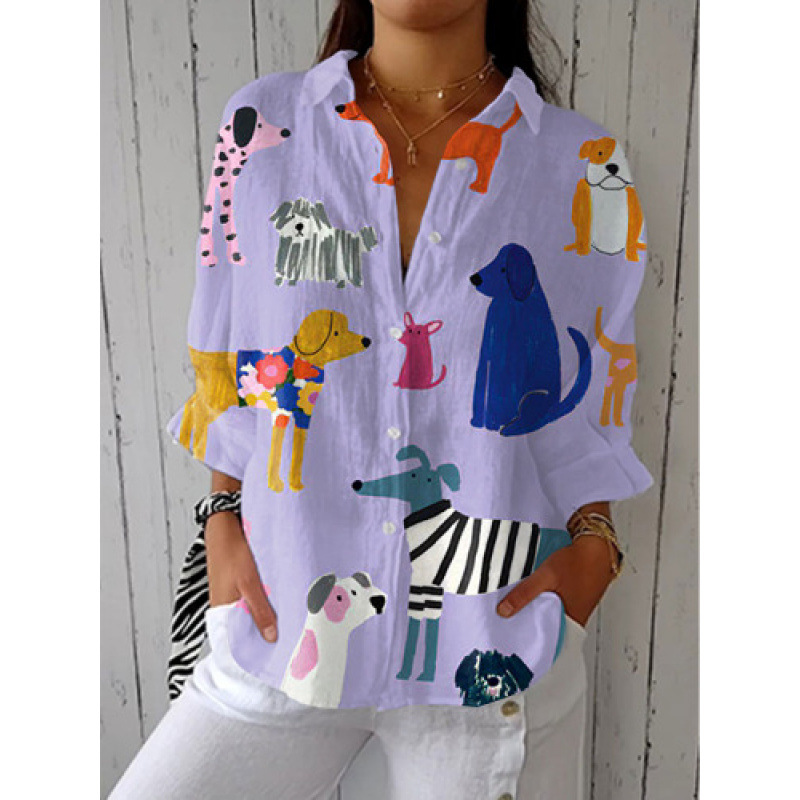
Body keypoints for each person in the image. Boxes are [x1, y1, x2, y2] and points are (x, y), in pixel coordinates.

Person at [109, 0, 653, 797]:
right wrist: (221, 513)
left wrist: (595, 547)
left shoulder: (573, 160)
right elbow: (230, 351)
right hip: (283, 620)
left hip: (486, 655)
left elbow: (584, 404)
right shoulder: (267, 128)